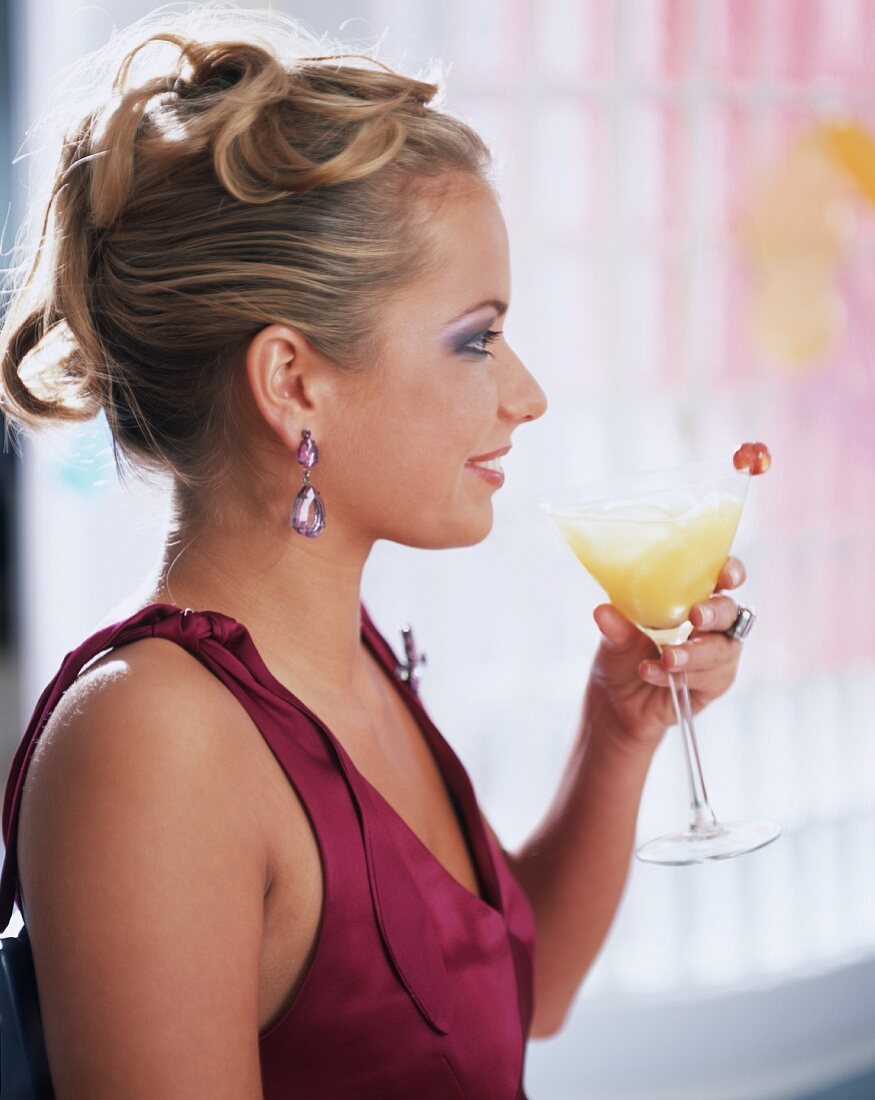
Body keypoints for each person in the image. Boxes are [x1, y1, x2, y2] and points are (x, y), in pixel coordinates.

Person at [0, 7, 750, 1098]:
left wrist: (619, 725)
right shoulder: (153, 744)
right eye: (475, 337)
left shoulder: (341, 659)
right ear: (293, 382)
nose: (525, 393)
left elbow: (514, 997)